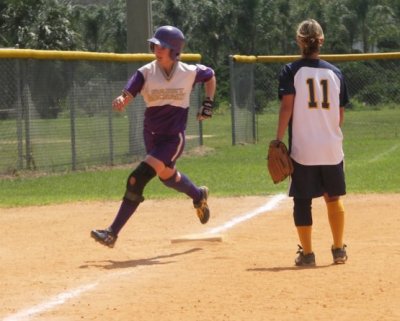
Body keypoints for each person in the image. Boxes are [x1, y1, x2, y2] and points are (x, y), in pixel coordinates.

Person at [91, 25, 216, 248]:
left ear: (174, 51)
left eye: (162, 46)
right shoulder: (146, 72)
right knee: (168, 178)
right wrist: (122, 100)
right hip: (151, 136)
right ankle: (198, 195)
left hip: (172, 139)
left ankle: (112, 233)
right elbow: (129, 91)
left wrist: (208, 103)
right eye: (155, 45)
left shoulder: (189, 72)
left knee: (136, 179)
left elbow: (211, 76)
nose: (156, 49)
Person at [275, 19, 349, 266]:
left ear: (299, 41)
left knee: (303, 200)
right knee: (333, 197)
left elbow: (287, 107)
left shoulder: (291, 70)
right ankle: (338, 249)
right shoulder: (335, 72)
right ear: (321, 41)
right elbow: (339, 116)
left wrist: (277, 139)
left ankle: (307, 255)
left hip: (303, 148)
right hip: (331, 147)